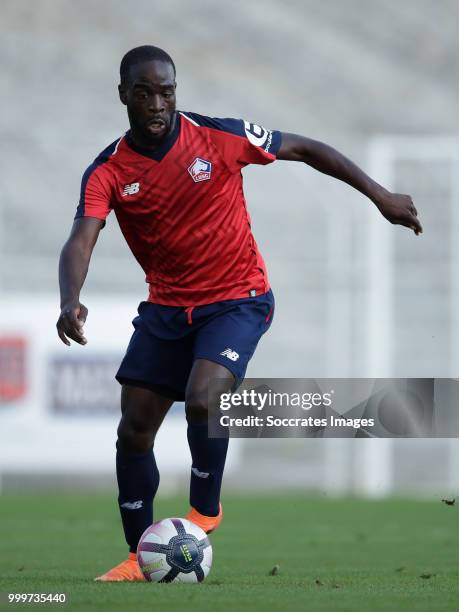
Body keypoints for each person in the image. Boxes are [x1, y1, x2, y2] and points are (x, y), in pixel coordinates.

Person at [56, 45, 422, 582]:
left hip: (237, 298)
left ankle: (205, 510)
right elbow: (80, 240)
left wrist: (380, 195)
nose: (157, 104)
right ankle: (142, 556)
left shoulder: (217, 137)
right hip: (166, 308)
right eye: (144, 93)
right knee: (134, 430)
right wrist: (70, 299)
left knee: (206, 396)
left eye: (167, 92)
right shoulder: (108, 170)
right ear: (123, 96)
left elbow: (304, 147)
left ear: (176, 92)